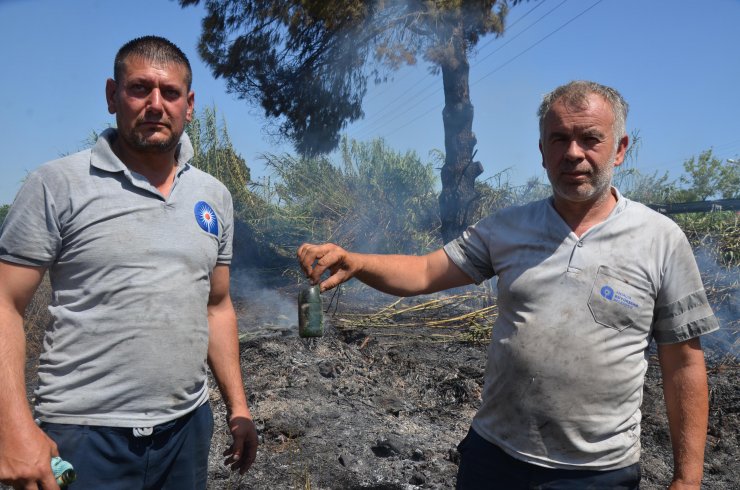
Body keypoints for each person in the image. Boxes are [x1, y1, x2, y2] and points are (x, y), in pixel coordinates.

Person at [298, 81, 719, 489]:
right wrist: (357, 261)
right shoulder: (507, 228)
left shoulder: (660, 239)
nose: (573, 153)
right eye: (558, 139)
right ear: (541, 151)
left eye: (590, 139)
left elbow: (683, 363)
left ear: (620, 149)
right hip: (494, 459)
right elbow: (424, 272)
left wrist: (687, 478)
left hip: (597, 474)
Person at [0, 36, 257, 489]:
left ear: (190, 104)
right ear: (112, 96)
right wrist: (13, 428)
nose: (156, 104)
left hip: (187, 431)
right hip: (81, 435)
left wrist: (238, 407)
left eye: (171, 93)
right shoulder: (55, 184)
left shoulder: (215, 196)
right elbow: (4, 302)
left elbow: (218, 306)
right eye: (140, 89)